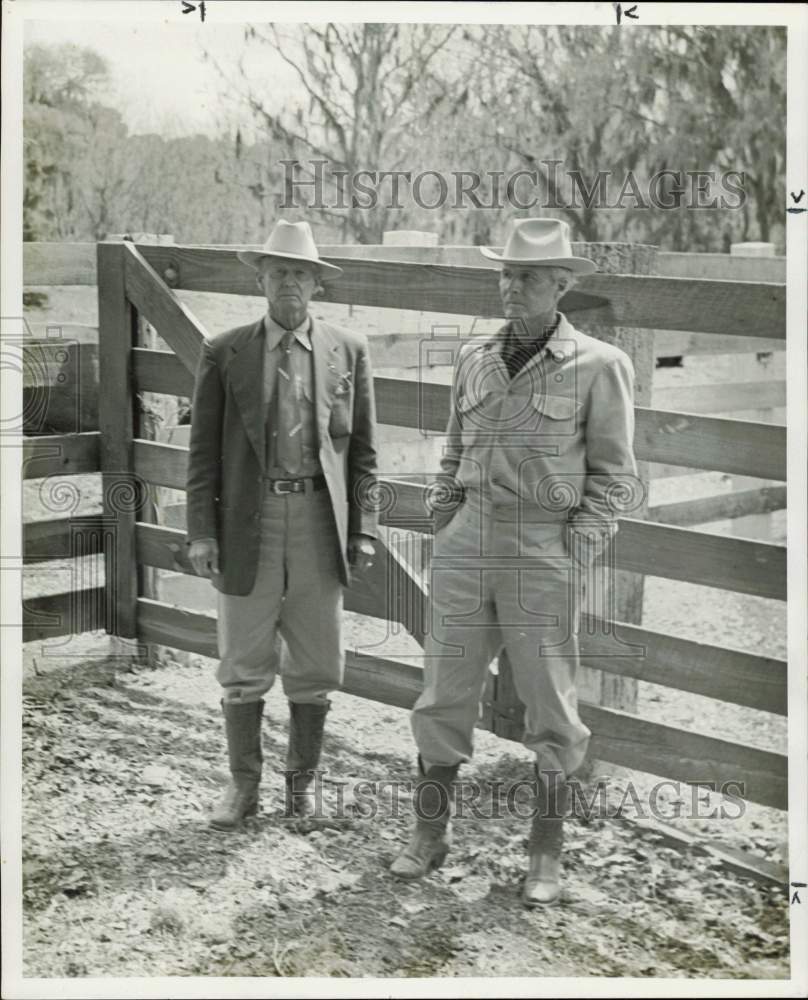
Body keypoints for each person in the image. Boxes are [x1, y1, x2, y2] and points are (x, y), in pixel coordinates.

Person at [390, 217, 638, 905]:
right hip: (468, 541)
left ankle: (545, 854)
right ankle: (429, 834)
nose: (512, 285)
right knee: (444, 689)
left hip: (543, 547)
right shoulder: (474, 358)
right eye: (505, 273)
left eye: (527, 275)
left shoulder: (599, 366)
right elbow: (451, 447)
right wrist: (445, 516)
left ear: (561, 284)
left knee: (550, 704)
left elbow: (614, 477)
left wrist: (576, 546)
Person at [186, 219, 378, 828]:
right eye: (278, 271)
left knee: (317, 659)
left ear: (317, 282)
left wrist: (365, 529)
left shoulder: (349, 350)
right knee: (243, 658)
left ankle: (303, 786)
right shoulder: (226, 351)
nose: (289, 281)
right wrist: (201, 532)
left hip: (319, 519)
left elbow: (365, 452)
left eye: (300, 272)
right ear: (260, 279)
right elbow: (202, 453)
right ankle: (243, 785)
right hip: (251, 518)